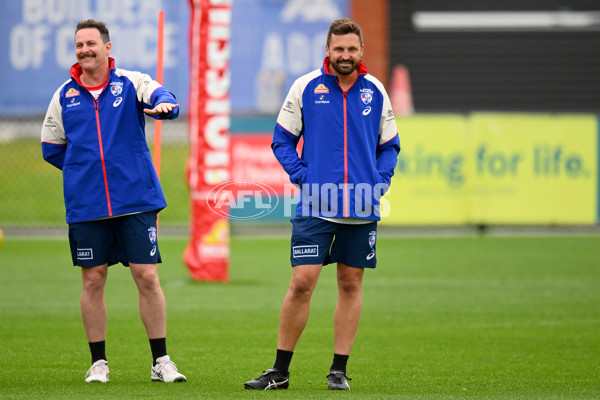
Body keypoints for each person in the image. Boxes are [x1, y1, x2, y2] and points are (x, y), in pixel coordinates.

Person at [244, 18, 400, 391]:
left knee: (350, 282)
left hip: (362, 207)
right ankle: (279, 372)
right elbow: (281, 140)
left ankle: (338, 371)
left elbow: (389, 145)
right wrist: (301, 176)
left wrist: (380, 182)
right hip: (315, 205)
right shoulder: (304, 87)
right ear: (327, 51)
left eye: (351, 49)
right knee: (302, 282)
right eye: (338, 49)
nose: (344, 55)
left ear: (360, 51)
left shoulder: (375, 90)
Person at [41, 19, 186, 384]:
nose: (84, 50)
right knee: (93, 280)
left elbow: (162, 97)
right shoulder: (64, 96)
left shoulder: (131, 82)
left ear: (107, 48)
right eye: (79, 45)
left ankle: (161, 362)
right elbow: (51, 148)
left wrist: (165, 106)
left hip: (136, 200)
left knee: (147, 277)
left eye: (91, 43)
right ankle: (98, 364)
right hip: (87, 206)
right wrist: (83, 173)